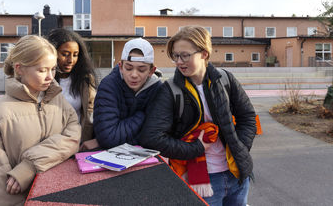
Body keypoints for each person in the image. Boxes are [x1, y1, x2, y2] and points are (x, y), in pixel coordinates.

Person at [139, 26, 257, 206]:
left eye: (185, 55)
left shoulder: (226, 79)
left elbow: (247, 117)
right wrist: (195, 148)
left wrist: (239, 148)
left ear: (204, 54)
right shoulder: (169, 91)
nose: (179, 61)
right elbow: (151, 137)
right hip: (202, 181)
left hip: (237, 175)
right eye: (175, 56)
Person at [0, 35, 81, 206]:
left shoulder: (58, 100)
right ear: (19, 68)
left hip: (56, 196)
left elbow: (73, 134)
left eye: (53, 69)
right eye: (42, 70)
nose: (50, 77)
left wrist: (30, 165)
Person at [93, 38, 162, 149]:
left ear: (151, 71)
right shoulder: (109, 85)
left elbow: (156, 137)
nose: (134, 75)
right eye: (129, 68)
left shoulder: (158, 89)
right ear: (120, 67)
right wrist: (144, 115)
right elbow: (108, 138)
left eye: (141, 70)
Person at [47, 28, 97, 150]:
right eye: (64, 54)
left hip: (77, 145)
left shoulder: (85, 80)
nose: (70, 60)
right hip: (49, 145)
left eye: (75, 55)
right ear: (52, 53)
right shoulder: (44, 80)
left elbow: (91, 114)